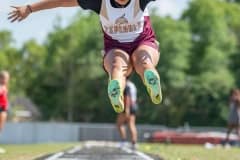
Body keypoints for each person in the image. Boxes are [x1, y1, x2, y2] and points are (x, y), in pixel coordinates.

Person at [8, 0, 162, 113]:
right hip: (119, 46)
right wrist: (29, 8)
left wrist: (29, 9)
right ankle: (121, 87)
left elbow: (61, 2)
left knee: (119, 66)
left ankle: (129, 81)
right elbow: (62, 1)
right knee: (139, 61)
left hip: (139, 43)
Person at [117, 79, 138, 150]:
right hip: (134, 106)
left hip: (127, 106)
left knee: (119, 124)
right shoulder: (132, 85)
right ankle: (134, 143)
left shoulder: (126, 85)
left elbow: (127, 97)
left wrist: (126, 109)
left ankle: (123, 141)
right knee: (131, 124)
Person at [0, 71, 10, 154]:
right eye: (6, 78)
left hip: (3, 110)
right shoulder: (1, 87)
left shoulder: (4, 87)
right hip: (1, 110)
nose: (7, 80)